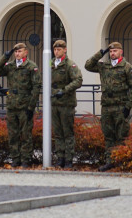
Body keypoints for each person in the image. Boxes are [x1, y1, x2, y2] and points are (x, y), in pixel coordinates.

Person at [85, 41, 132, 171]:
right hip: (107, 107)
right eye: (110, 51)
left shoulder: (127, 67)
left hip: (120, 107)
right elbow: (88, 65)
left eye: (115, 51)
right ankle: (110, 162)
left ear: (121, 52)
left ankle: (121, 161)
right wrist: (100, 53)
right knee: (108, 136)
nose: (112, 53)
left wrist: (128, 106)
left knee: (121, 136)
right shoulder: (104, 66)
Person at [0, 42, 41, 168]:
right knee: (13, 134)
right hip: (12, 105)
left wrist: (31, 107)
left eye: (19, 51)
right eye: (15, 52)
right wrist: (5, 57)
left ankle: (25, 159)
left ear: (26, 52)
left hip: (25, 105)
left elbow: (36, 88)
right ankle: (15, 158)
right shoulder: (10, 66)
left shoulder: (31, 66)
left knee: (25, 134)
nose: (17, 54)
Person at [51, 39, 83, 169]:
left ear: (65, 50)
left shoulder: (70, 65)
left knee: (67, 133)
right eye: (55, 49)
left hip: (66, 103)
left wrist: (64, 90)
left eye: (59, 49)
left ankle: (69, 159)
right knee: (58, 133)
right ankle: (60, 158)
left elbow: (78, 80)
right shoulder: (51, 63)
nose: (56, 51)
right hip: (55, 103)